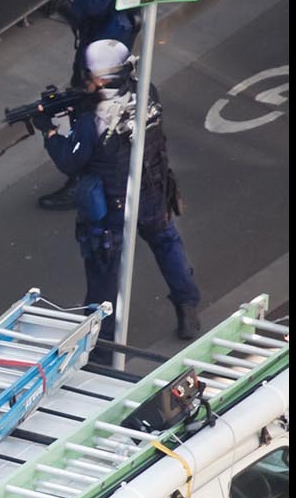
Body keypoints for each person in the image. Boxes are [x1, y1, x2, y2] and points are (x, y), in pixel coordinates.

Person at [38, 39, 202, 341]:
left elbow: (70, 160)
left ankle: (101, 339)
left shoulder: (92, 121)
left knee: (103, 267)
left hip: (112, 203)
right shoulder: (146, 93)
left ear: (100, 79)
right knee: (167, 245)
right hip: (153, 191)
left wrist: (50, 132)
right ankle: (187, 306)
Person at [42, 0, 135, 210]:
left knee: (90, 107)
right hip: (98, 35)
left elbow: (93, 1)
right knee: (87, 103)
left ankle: (83, 179)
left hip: (108, 41)